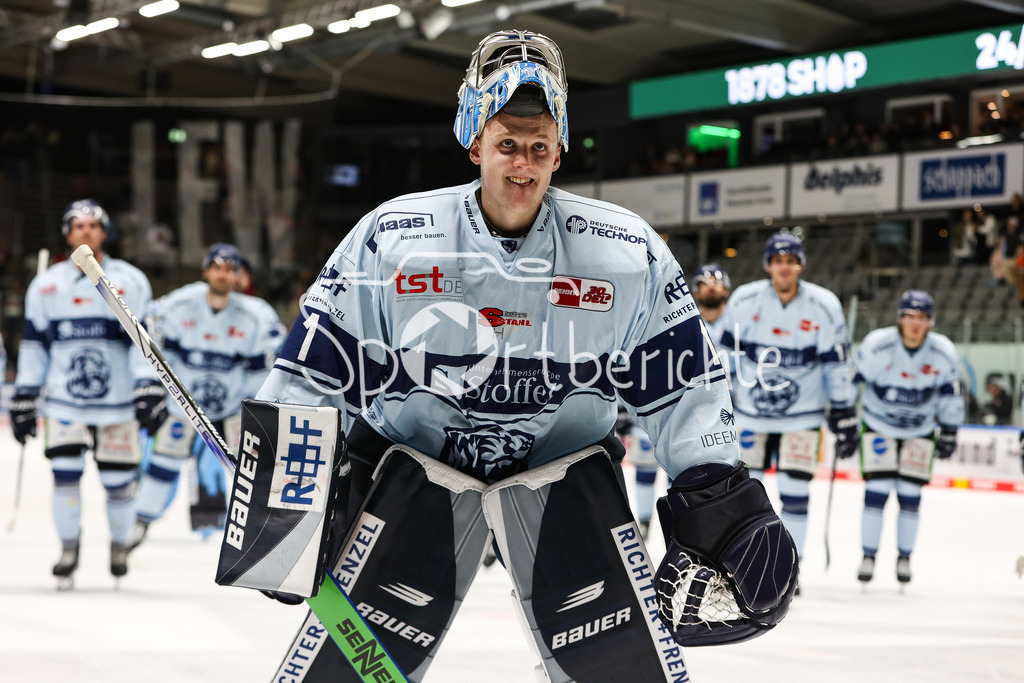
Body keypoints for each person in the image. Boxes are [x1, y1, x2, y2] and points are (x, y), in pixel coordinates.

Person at [248, 29, 797, 680]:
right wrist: (287, 496)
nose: (522, 164)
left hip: (564, 476)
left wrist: (717, 492)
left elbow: (684, 384)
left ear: (560, 151)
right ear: (475, 142)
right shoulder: (393, 238)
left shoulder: (626, 252)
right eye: (507, 144)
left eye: (539, 146)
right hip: (411, 475)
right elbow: (313, 366)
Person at [10, 199, 164, 586]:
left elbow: (141, 341)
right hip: (65, 403)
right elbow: (34, 346)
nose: (86, 232)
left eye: (94, 225)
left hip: (117, 405)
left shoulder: (131, 280)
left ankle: (118, 545)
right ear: (67, 234)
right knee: (64, 476)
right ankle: (68, 548)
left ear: (105, 233)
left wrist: (147, 383)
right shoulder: (45, 285)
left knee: (117, 483)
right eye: (78, 226)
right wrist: (26, 392)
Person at [719, 231, 859, 568]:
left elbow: (837, 364)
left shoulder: (824, 305)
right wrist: (720, 399)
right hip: (751, 414)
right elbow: (725, 355)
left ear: (801, 266)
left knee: (795, 491)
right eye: (778, 261)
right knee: (747, 494)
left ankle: (788, 567)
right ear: (768, 265)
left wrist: (843, 408)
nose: (784, 267)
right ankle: (748, 563)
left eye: (791, 261)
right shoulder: (743, 300)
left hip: (803, 417)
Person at [130, 243, 284, 547]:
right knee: (162, 466)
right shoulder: (178, 303)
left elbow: (262, 372)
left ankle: (261, 532)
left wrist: (261, 410)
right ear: (206, 271)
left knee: (250, 474)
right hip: (182, 406)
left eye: (230, 269)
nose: (223, 275)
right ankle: (139, 522)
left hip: (232, 411)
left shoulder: (257, 315)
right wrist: (150, 387)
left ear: (240, 276)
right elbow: (153, 347)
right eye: (217, 268)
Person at [849, 290, 963, 584]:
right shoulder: (878, 344)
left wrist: (950, 428)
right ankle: (869, 556)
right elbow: (852, 380)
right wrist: (844, 415)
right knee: (877, 492)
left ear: (930, 323)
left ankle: (904, 558)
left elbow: (951, 395)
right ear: (900, 318)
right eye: (910, 316)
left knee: (911, 496)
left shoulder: (944, 352)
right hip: (878, 425)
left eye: (922, 318)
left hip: (920, 430)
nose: (915, 323)